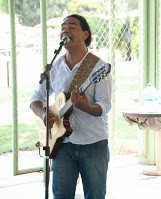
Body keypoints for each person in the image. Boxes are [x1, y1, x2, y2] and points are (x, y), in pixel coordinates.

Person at [30, 14, 112, 199]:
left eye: (71, 26)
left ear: (85, 34)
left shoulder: (97, 67)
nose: (65, 30)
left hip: (93, 144)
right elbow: (35, 98)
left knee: (95, 195)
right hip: (62, 145)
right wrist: (44, 114)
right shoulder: (55, 67)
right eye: (62, 27)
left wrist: (86, 107)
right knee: (60, 195)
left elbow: (105, 105)